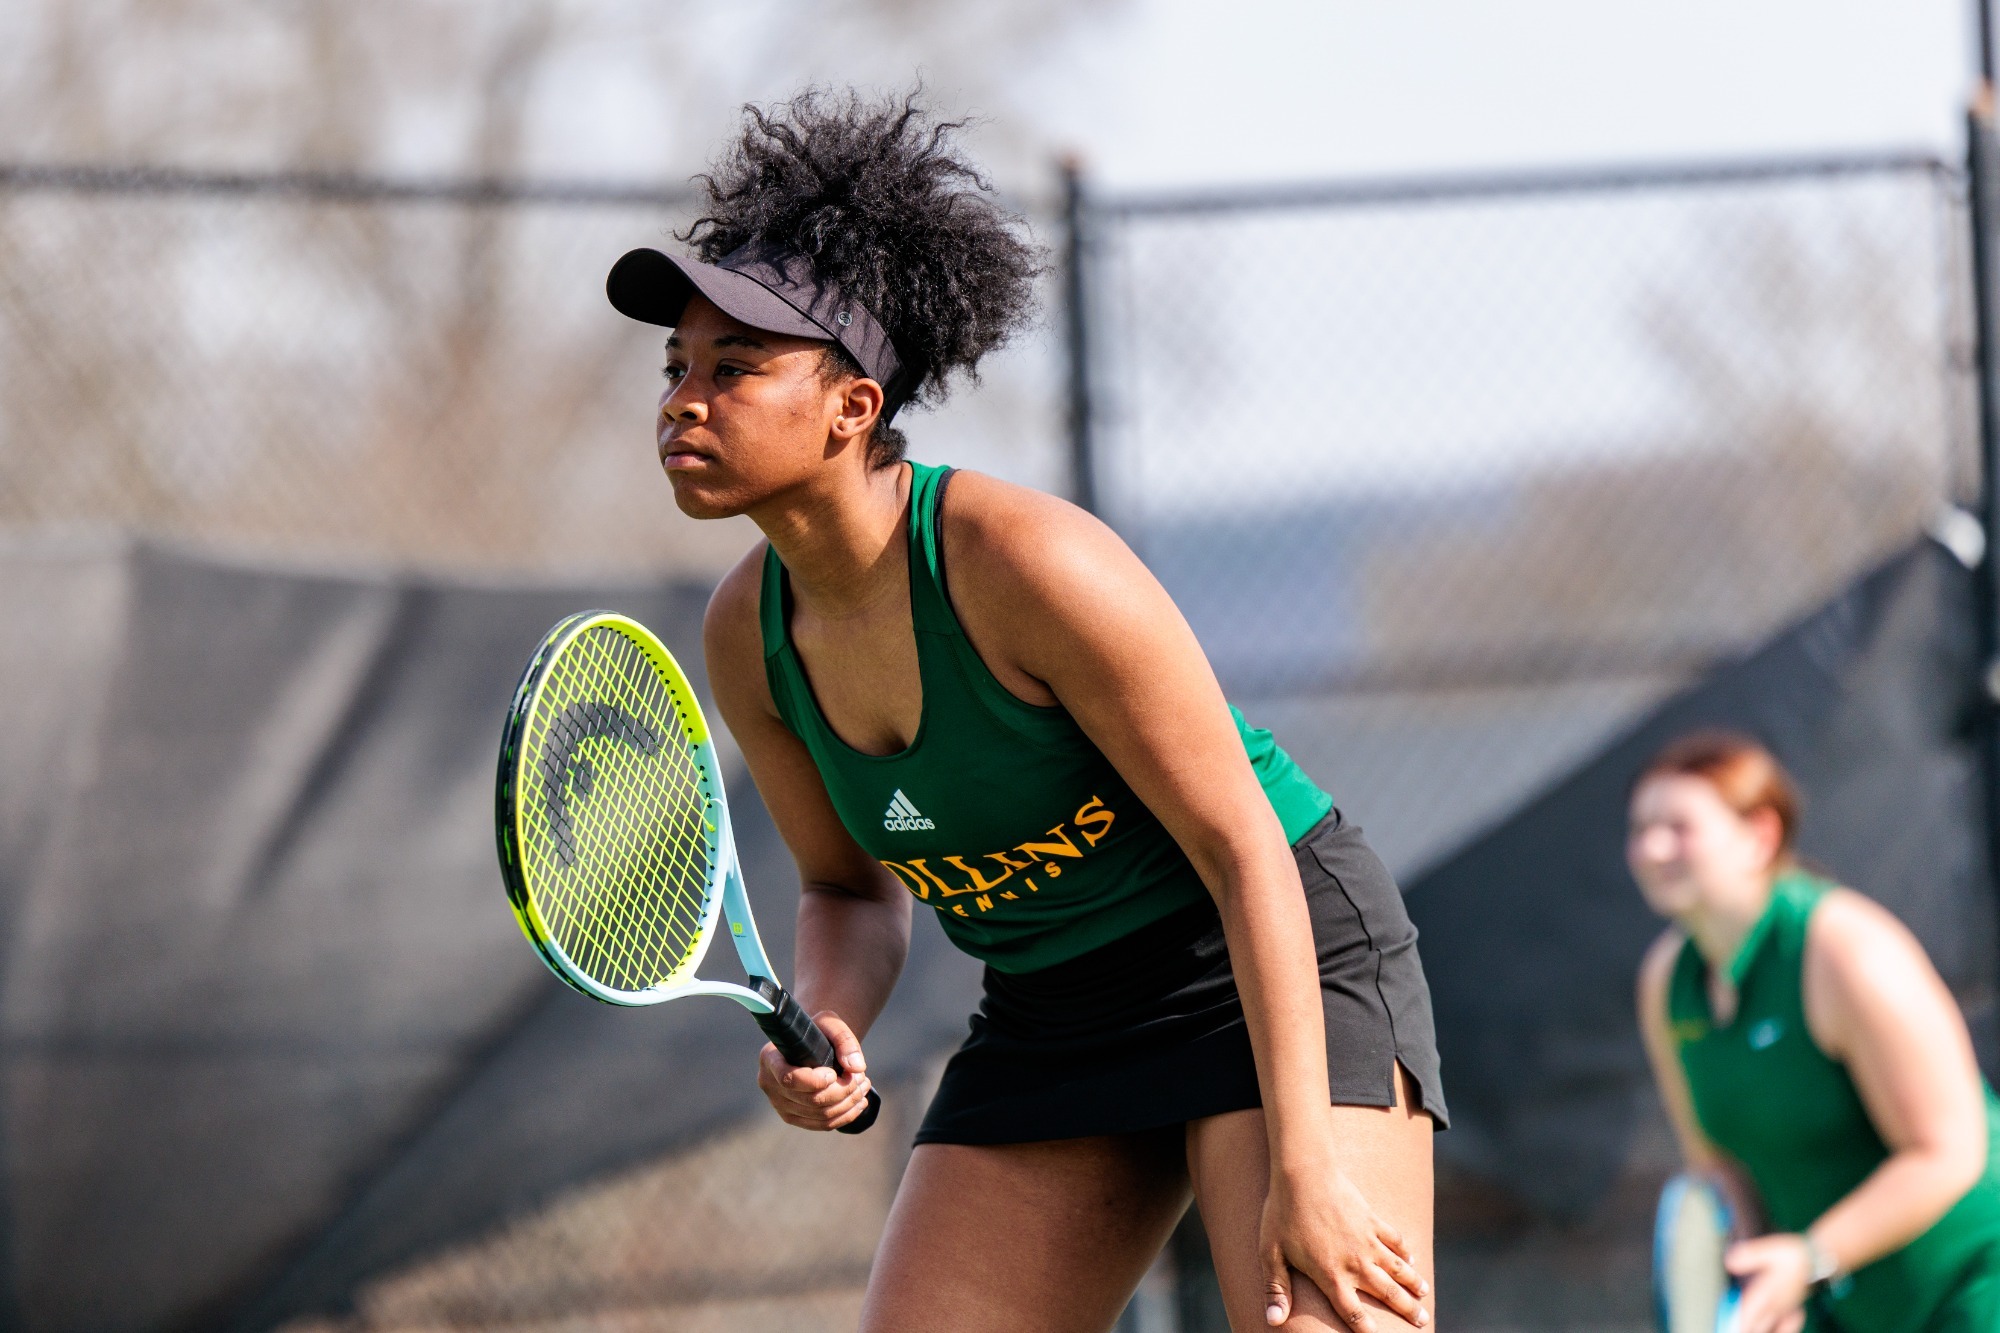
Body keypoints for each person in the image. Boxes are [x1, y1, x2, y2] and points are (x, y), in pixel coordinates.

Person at [603, 90, 1447, 1332]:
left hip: (1268, 956)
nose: (685, 398)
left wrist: (1308, 1164)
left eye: (736, 369)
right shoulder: (748, 635)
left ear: (853, 408)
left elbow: (1241, 850)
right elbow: (846, 890)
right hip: (1055, 1008)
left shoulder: (1026, 564)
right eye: (677, 367)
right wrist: (829, 1019)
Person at [1630, 730, 2000, 1333]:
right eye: (1640, 829)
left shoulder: (1850, 953)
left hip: (1972, 1287)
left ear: (1759, 836)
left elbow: (1949, 1152)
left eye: (1678, 827)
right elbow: (1717, 1167)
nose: (1651, 849)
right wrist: (1759, 1284)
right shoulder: (1665, 983)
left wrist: (1810, 1256)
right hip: (1836, 1300)